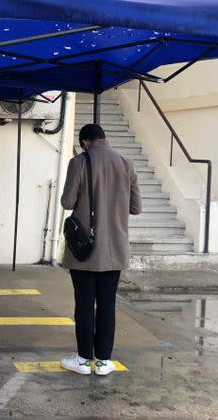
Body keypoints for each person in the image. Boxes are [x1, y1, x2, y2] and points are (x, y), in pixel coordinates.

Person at [59, 124, 142, 376]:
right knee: (107, 305)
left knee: (84, 304)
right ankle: (104, 361)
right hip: (115, 249)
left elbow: (67, 202)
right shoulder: (126, 163)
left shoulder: (80, 162)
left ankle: (84, 360)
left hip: (85, 250)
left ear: (85, 141)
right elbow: (136, 207)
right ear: (104, 139)